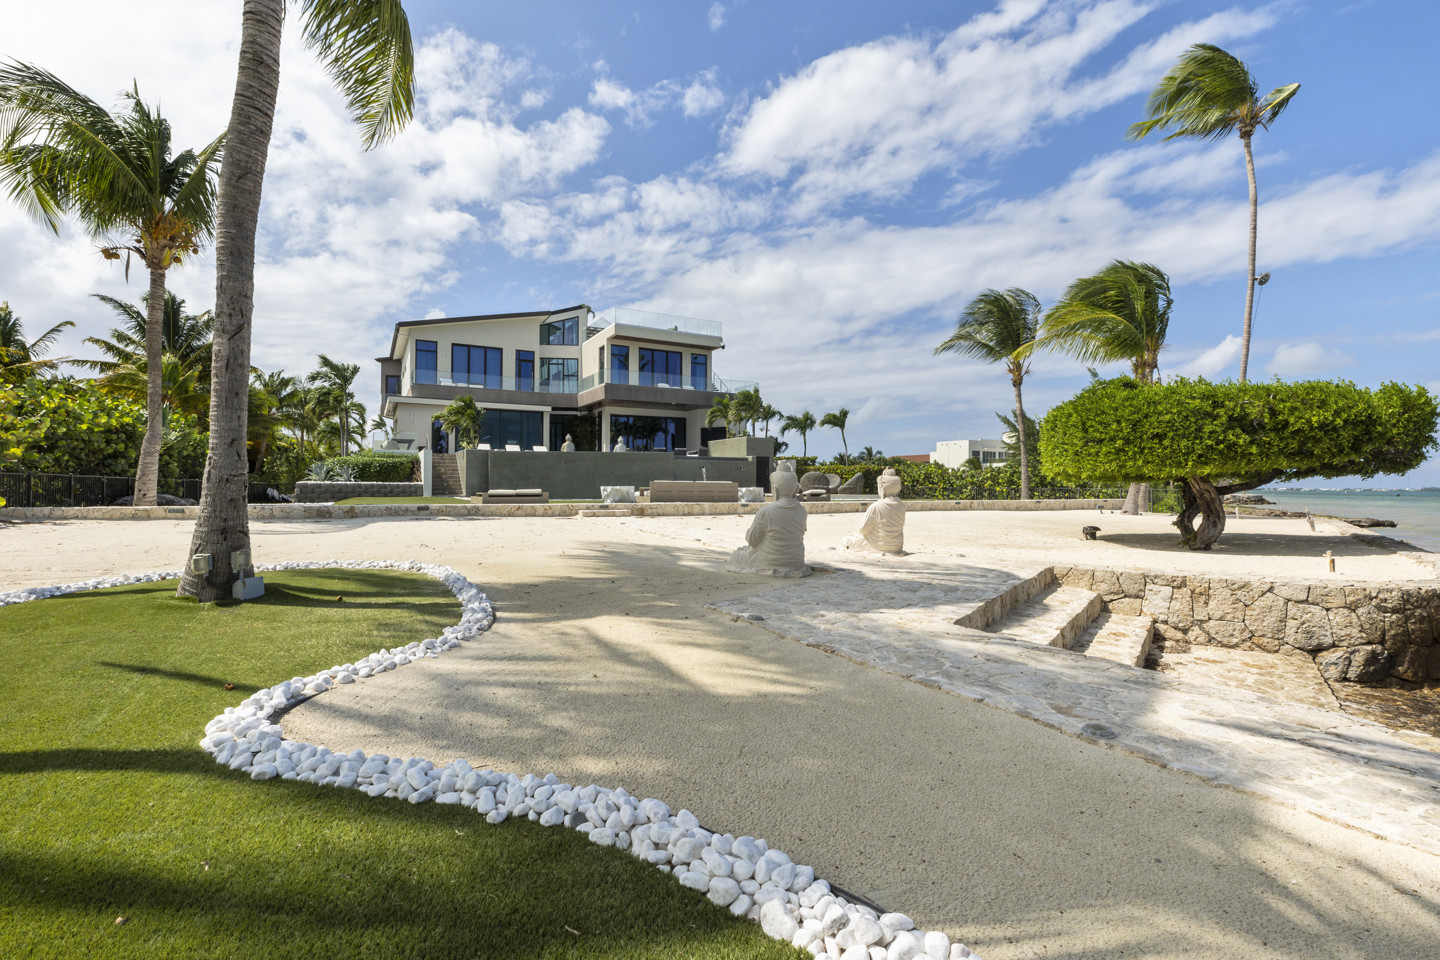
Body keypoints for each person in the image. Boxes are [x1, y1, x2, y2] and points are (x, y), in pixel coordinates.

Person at [726, 469, 811, 577]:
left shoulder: (766, 511)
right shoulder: (802, 510)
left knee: (735, 556)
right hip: (795, 562)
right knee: (744, 550)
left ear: (774, 490)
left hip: (770, 561)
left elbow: (752, 540)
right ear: (795, 490)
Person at [844, 469, 905, 554]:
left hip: (879, 546)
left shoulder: (876, 506)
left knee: (847, 540)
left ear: (882, 488)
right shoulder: (902, 506)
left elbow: (863, 530)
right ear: (898, 488)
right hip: (897, 546)